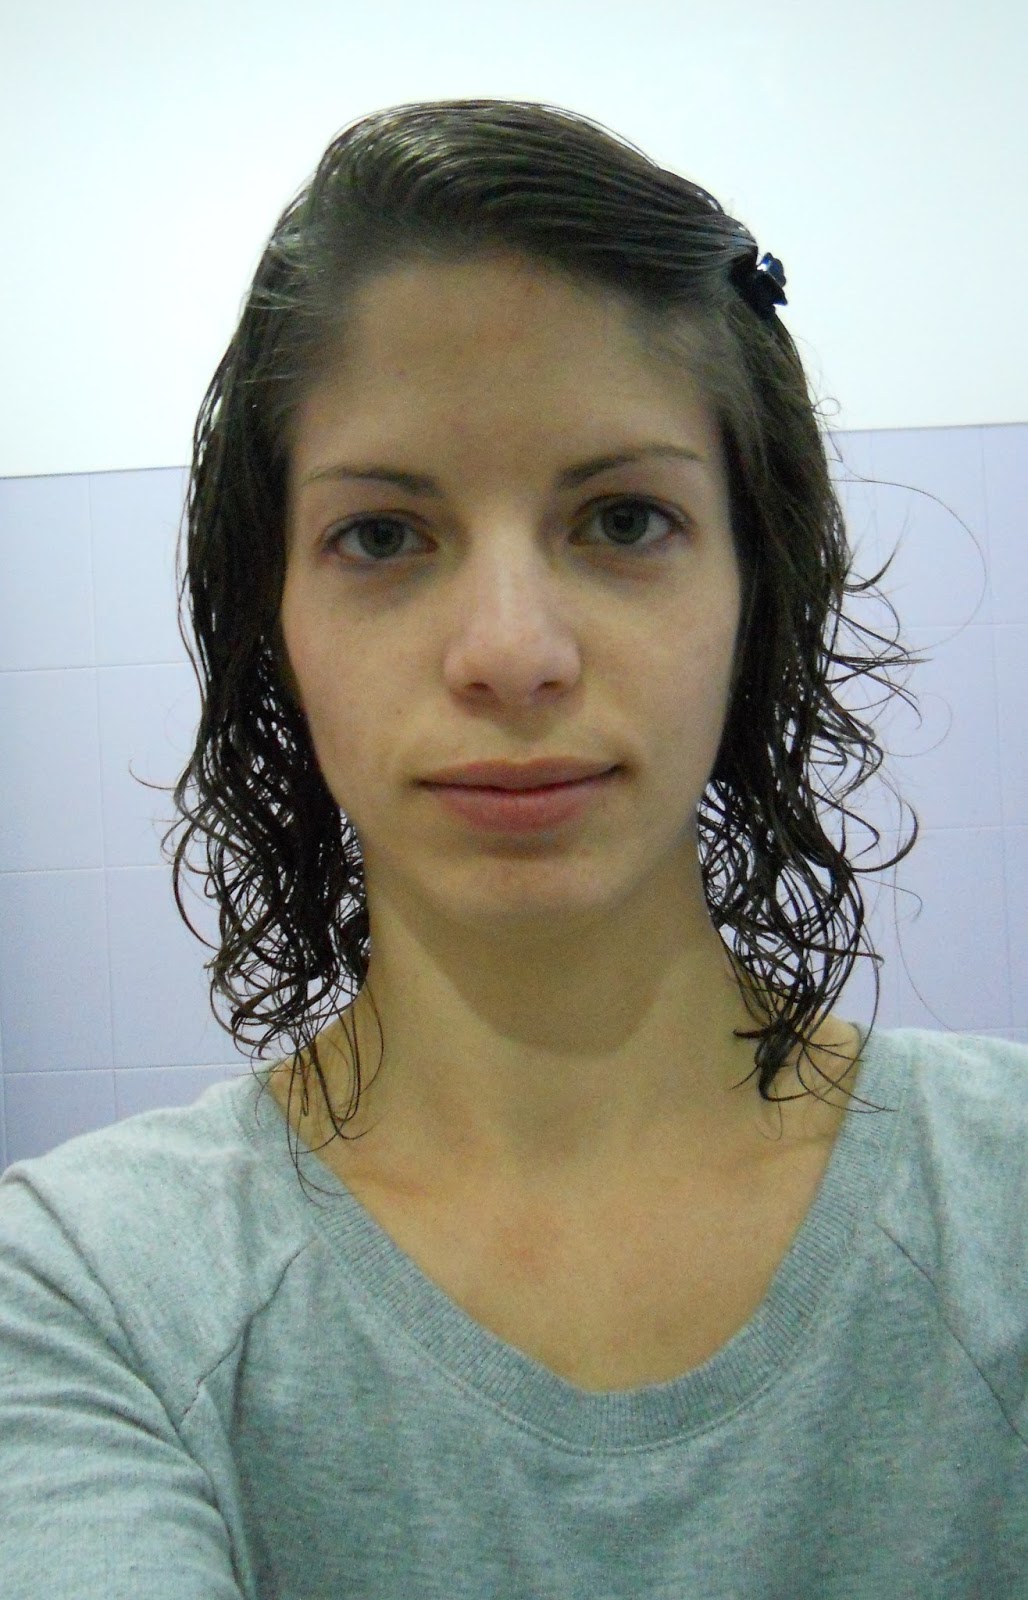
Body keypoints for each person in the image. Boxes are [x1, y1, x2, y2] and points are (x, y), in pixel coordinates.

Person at [1, 99, 1024, 1598]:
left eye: (623, 519)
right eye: (382, 536)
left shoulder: (1004, 1204)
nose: (511, 653)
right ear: (272, 625)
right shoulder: (86, 1295)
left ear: (755, 592)